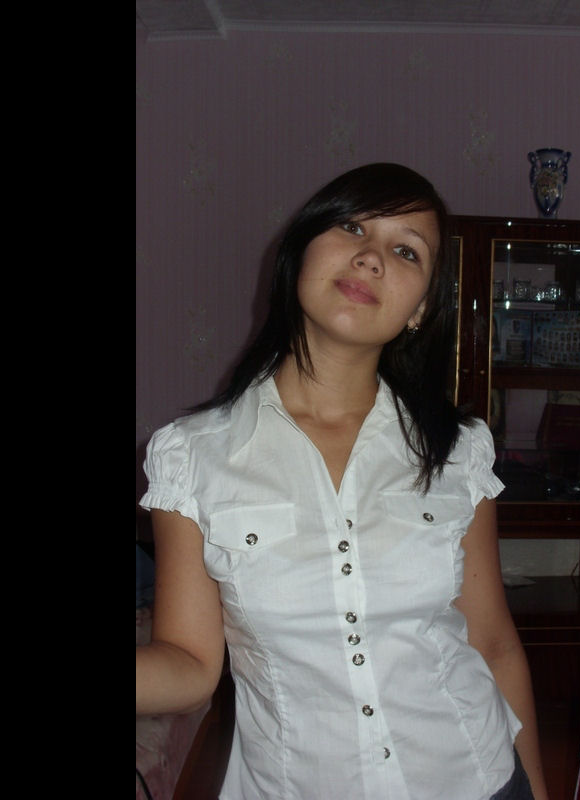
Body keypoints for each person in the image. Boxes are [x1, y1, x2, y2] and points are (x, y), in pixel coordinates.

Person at [136, 162, 550, 800]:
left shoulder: (456, 449)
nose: (372, 257)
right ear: (299, 252)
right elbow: (190, 666)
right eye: (353, 227)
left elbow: (493, 643)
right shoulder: (190, 456)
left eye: (406, 251)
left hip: (478, 778)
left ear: (420, 310)